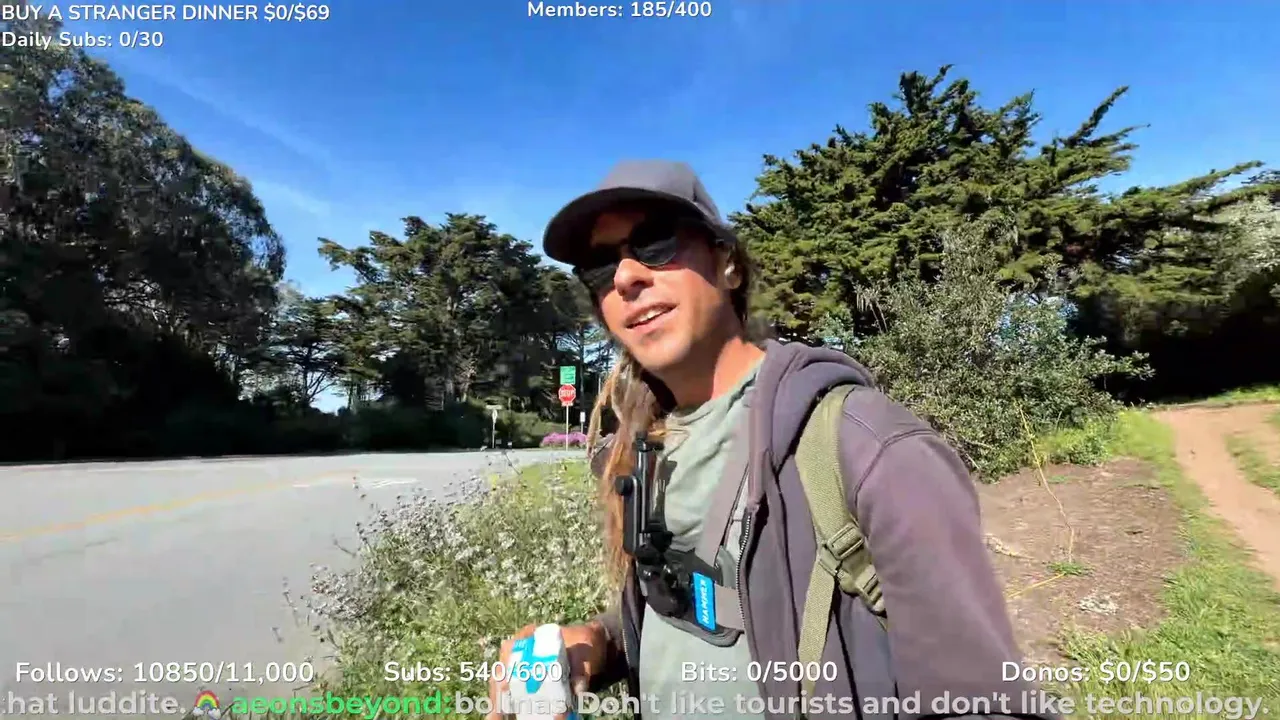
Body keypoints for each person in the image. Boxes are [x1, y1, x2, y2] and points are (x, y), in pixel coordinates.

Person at [487, 160, 1056, 720]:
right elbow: (692, 608)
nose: (625, 278)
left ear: (729, 264)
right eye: (598, 266)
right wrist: (598, 641)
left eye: (656, 242)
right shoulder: (647, 447)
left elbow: (982, 702)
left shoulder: (868, 447)